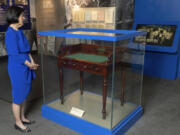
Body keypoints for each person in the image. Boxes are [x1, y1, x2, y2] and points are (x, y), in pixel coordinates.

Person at [5, 6, 39, 132]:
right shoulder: (10, 33)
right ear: (15, 17)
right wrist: (28, 64)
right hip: (17, 68)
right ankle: (18, 122)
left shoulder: (19, 31)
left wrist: (32, 61)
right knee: (18, 96)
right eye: (22, 15)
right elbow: (15, 54)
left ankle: (23, 117)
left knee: (24, 93)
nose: (23, 17)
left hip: (25, 65)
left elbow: (26, 49)